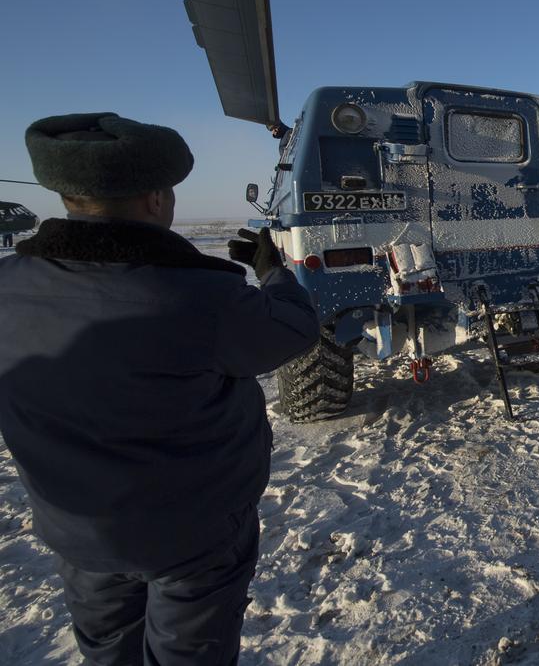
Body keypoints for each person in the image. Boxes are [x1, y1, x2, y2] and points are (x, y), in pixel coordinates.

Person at [0, 112, 320, 664]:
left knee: (108, 649)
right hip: (193, 534)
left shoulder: (7, 286)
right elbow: (294, 330)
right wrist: (272, 271)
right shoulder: (200, 298)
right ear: (154, 199)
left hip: (76, 530)